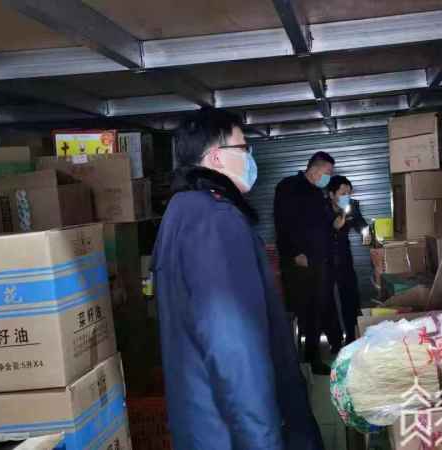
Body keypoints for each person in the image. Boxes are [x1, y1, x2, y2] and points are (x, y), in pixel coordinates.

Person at [152, 109, 324, 450]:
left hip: (207, 427)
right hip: (233, 435)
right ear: (216, 157)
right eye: (243, 148)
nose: (250, 157)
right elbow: (233, 346)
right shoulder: (216, 221)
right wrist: (263, 441)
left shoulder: (181, 211)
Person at [274, 152, 342, 375]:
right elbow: (282, 222)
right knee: (302, 311)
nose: (329, 176)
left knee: (317, 310)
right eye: (328, 172)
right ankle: (298, 361)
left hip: (319, 262)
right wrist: (295, 253)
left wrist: (335, 222)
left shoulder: (317, 193)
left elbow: (323, 226)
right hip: (299, 263)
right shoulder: (289, 187)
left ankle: (313, 359)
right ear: (315, 168)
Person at [327, 175, 369, 345]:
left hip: (344, 257)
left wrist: (367, 234)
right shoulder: (321, 208)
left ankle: (352, 336)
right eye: (343, 193)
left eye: (349, 193)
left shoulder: (352, 206)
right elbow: (315, 233)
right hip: (325, 258)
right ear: (331, 194)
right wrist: (333, 228)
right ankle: (335, 341)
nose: (347, 196)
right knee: (327, 300)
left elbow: (361, 225)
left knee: (350, 296)